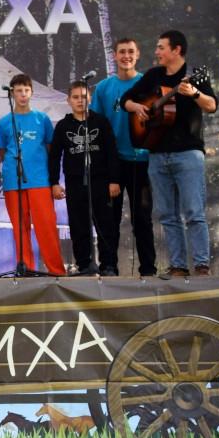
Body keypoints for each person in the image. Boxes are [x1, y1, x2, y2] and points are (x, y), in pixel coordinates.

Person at [121, 30, 218, 277]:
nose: (157, 52)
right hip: (157, 154)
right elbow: (125, 100)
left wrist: (194, 93)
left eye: (161, 47)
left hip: (188, 154)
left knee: (194, 212)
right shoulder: (153, 75)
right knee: (167, 215)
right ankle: (178, 266)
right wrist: (139, 107)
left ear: (176, 50)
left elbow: (212, 106)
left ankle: (201, 265)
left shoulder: (194, 75)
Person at [90, 38, 157, 276]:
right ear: (115, 56)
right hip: (113, 163)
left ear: (137, 55)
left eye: (130, 51)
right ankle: (108, 266)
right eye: (122, 52)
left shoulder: (148, 84)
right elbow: (96, 126)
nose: (126, 56)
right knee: (109, 218)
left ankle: (148, 269)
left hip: (142, 160)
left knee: (142, 218)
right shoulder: (103, 88)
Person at [0, 74, 65, 276]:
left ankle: (56, 271)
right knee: (20, 229)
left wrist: (53, 180)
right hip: (13, 182)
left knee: (46, 227)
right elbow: (3, 152)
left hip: (39, 180)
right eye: (18, 91)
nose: (23, 94)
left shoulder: (42, 119)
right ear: (12, 94)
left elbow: (51, 151)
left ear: (32, 92)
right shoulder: (4, 122)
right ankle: (26, 269)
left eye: (26, 90)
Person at [49, 81, 120, 276]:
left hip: (101, 181)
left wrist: (114, 180)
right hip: (75, 182)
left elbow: (112, 152)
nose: (80, 101)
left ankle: (108, 265)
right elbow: (54, 156)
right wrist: (54, 183)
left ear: (90, 98)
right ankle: (84, 265)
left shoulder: (101, 122)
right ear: (68, 100)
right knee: (78, 225)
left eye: (83, 97)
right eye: (75, 97)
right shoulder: (63, 126)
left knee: (105, 224)